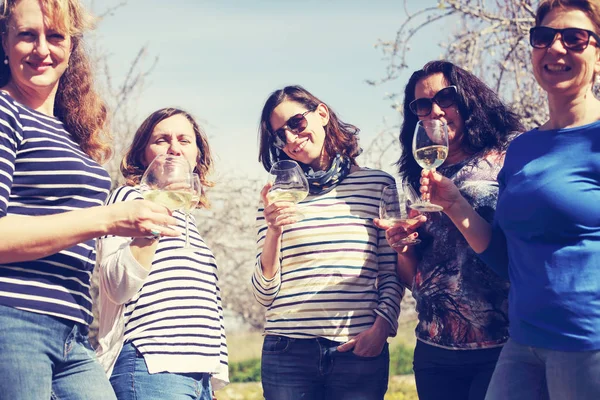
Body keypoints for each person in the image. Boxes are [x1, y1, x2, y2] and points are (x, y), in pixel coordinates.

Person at [419, 1, 600, 399]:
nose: (556, 48)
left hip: (586, 343)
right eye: (543, 37)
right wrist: (454, 205)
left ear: (598, 55)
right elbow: (504, 256)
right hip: (522, 342)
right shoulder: (524, 149)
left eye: (574, 38)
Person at [0, 0, 176, 399]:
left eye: (55, 36)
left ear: (72, 46)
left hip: (74, 330)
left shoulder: (70, 132)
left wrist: (139, 229)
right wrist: (108, 218)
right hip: (12, 320)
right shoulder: (4, 111)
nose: (42, 49)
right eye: (27, 35)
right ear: (5, 41)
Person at [374, 60, 523, 400]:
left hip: (503, 343)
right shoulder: (419, 177)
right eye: (423, 105)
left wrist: (458, 205)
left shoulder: (511, 154)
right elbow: (416, 278)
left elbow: (525, 242)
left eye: (445, 98)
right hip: (435, 347)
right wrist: (403, 247)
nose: (435, 111)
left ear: (469, 98)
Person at [251, 85, 404, 400]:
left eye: (296, 123)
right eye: (280, 135)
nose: (291, 138)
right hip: (287, 351)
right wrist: (274, 230)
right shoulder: (274, 198)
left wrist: (381, 328)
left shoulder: (378, 185)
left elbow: (391, 272)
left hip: (356, 351)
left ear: (321, 113)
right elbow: (263, 294)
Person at [95, 107, 229, 400]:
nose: (174, 148)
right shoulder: (129, 199)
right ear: (143, 154)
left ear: (197, 156)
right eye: (161, 140)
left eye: (184, 140)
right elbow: (116, 285)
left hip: (198, 376)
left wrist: (210, 379)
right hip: (151, 368)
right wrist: (162, 208)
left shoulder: (189, 220)